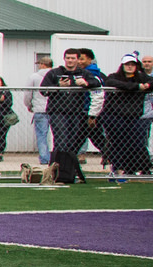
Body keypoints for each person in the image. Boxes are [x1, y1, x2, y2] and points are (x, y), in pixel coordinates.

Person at [38, 51, 98, 183]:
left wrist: (86, 83)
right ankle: (56, 173)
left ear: (77, 60)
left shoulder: (83, 73)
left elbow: (97, 82)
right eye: (68, 58)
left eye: (73, 58)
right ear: (64, 59)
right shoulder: (54, 73)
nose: (70, 61)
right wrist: (59, 86)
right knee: (61, 142)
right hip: (57, 112)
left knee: (72, 145)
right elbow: (43, 90)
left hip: (76, 112)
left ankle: (69, 174)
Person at [98, 52, 151, 175]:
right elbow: (110, 82)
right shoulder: (114, 76)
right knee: (117, 142)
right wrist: (136, 87)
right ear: (122, 65)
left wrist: (147, 85)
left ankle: (134, 168)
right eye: (127, 64)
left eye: (132, 64)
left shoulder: (141, 77)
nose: (130, 67)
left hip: (134, 115)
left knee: (136, 143)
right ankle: (118, 168)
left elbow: (150, 82)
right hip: (114, 115)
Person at [25, 54, 54, 165]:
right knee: (58, 134)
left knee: (42, 135)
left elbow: (28, 93)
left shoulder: (34, 77)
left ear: (43, 65)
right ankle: (56, 157)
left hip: (40, 108)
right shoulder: (55, 75)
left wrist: (29, 105)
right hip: (55, 108)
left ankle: (44, 158)